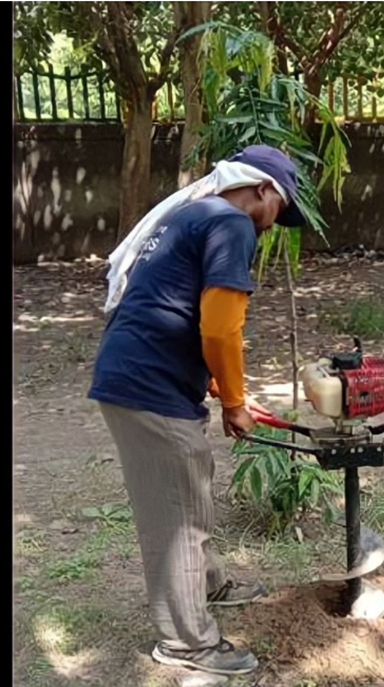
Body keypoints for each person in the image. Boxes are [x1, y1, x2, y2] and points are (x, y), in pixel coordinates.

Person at [88, 145, 305, 676]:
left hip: (141, 375)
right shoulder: (230, 224)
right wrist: (233, 401)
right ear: (261, 190)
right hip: (147, 386)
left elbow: (175, 303)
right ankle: (186, 644)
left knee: (191, 485)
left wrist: (213, 379)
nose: (275, 226)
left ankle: (211, 583)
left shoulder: (192, 213)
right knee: (175, 515)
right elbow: (219, 327)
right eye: (281, 209)